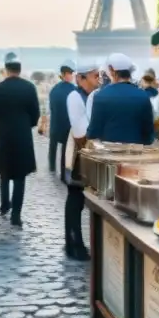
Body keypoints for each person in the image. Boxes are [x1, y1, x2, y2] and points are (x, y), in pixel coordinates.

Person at [0, 52, 39, 227]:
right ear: (20, 69)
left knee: (4, 172)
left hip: (4, 134)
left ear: (6, 68)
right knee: (20, 176)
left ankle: (4, 205)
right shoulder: (29, 88)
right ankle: (16, 215)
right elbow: (35, 114)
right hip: (23, 135)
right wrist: (27, 124)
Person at [63, 60, 101, 260]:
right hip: (80, 152)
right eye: (95, 76)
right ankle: (73, 242)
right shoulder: (74, 96)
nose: (98, 80)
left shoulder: (90, 95)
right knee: (75, 198)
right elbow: (80, 131)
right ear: (81, 78)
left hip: (88, 150)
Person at [86, 53, 155, 145]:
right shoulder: (143, 96)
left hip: (109, 154)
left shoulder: (100, 96)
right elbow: (149, 134)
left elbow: (93, 133)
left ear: (111, 70)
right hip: (136, 154)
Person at [47, 62, 77, 174]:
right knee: (66, 146)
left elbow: (51, 106)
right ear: (64, 74)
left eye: (72, 73)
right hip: (67, 123)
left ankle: (51, 166)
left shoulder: (54, 89)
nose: (71, 75)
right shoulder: (74, 89)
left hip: (56, 122)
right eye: (70, 73)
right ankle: (64, 168)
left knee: (53, 145)